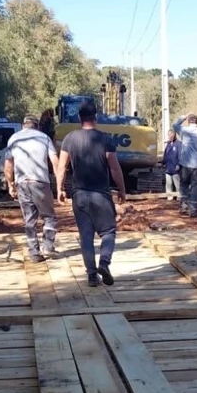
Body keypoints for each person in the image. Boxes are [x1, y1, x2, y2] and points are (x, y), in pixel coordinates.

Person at [57, 99, 128, 287]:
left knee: (86, 235)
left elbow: (62, 167)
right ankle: (104, 263)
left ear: (79, 117)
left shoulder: (69, 139)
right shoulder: (105, 139)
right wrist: (122, 189)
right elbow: (114, 168)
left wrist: (59, 189)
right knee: (109, 232)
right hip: (101, 195)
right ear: (95, 117)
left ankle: (91, 276)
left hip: (79, 195)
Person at [4, 115, 61, 262]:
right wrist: (59, 184)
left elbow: (8, 165)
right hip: (40, 182)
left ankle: (34, 253)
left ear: (23, 125)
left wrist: (10, 185)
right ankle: (48, 246)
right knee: (49, 217)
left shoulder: (14, 139)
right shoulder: (44, 138)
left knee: (29, 220)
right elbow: (55, 161)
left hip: (22, 183)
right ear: (37, 126)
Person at [162, 130, 181, 201]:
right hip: (168, 167)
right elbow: (165, 154)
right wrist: (163, 163)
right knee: (168, 184)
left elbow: (180, 156)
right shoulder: (168, 144)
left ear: (173, 135)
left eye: (170, 135)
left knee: (177, 184)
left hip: (175, 168)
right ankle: (169, 197)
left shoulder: (178, 144)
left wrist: (178, 165)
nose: (169, 137)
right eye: (168, 135)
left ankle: (179, 197)